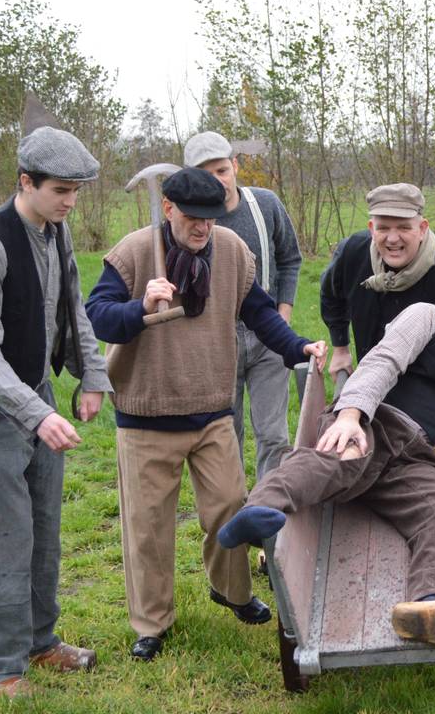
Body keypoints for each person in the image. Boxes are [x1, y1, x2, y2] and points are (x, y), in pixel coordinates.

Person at [85, 167, 326, 661]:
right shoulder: (134, 252)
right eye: (193, 218)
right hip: (147, 414)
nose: (202, 229)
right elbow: (96, 314)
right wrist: (140, 306)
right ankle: (152, 622)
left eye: (211, 219)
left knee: (229, 507)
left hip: (213, 411)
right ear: (168, 208)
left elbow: (257, 312)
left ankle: (232, 591)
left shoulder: (233, 252)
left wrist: (297, 348)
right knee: (148, 527)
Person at [219, 263, 435, 647]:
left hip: (420, 458)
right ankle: (259, 510)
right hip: (379, 421)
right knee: (342, 458)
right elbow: (382, 362)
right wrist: (350, 416)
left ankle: (434, 604)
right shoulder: (426, 316)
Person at [0, 126, 109, 700]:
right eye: (61, 190)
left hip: (32, 388)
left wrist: (92, 375)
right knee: (6, 535)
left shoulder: (55, 230)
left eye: (77, 191)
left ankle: (41, 641)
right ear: (25, 182)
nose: (70, 202)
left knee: (45, 527)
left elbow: (72, 308)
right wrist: (36, 415)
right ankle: (1, 672)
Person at [184, 131, 303, 480]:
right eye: (205, 174)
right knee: (224, 435)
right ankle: (233, 514)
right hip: (216, 339)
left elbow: (290, 259)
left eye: (221, 170)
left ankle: (270, 513)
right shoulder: (191, 218)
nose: (216, 181)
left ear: (235, 166)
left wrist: (283, 316)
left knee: (274, 435)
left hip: (269, 334)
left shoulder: (264, 204)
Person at [320, 183, 435, 379]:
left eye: (403, 228)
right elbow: (331, 296)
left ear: (423, 228)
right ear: (371, 229)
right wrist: (340, 348)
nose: (392, 239)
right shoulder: (353, 253)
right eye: (383, 228)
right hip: (373, 378)